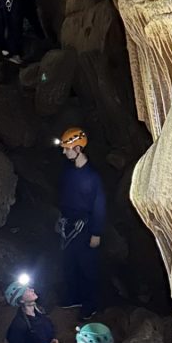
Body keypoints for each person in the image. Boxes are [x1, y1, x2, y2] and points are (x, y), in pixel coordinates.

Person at [56, 128, 106, 319]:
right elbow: (64, 197)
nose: (64, 152)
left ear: (78, 148)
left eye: (67, 148)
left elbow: (99, 205)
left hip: (85, 227)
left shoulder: (92, 177)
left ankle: (90, 304)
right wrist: (61, 218)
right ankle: (73, 297)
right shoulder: (69, 173)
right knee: (69, 263)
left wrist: (96, 232)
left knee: (87, 267)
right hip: (69, 224)